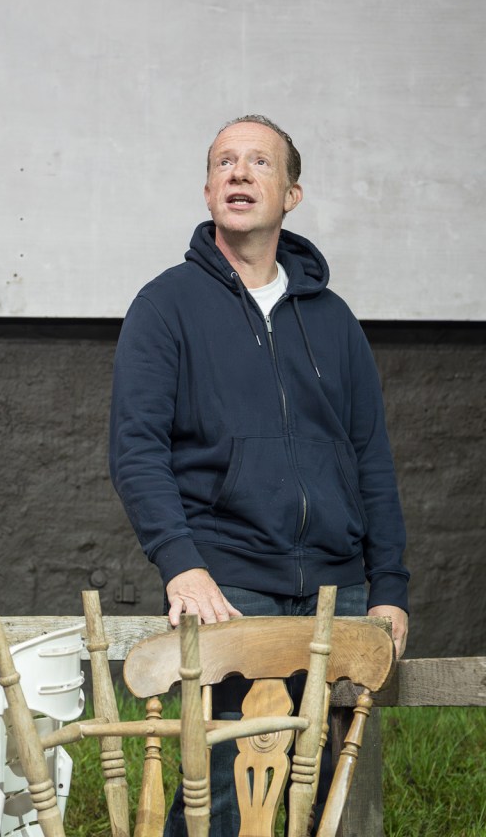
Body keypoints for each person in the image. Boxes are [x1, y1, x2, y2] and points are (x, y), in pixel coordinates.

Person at [109, 115, 409, 834]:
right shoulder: (166, 306)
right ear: (209, 188)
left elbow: (372, 459)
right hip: (230, 585)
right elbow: (136, 447)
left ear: (292, 193)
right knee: (219, 792)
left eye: (259, 163)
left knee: (333, 798)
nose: (239, 174)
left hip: (339, 589)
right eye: (224, 163)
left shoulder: (334, 321)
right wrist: (182, 566)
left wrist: (390, 586)